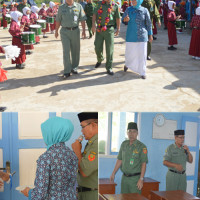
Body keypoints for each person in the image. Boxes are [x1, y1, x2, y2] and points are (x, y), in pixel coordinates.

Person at [21, 116, 78, 199]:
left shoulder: (45, 158)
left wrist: (29, 192)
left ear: (50, 134)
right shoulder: (72, 155)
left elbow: (40, 194)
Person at [110, 122, 148, 194]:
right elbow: (119, 159)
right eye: (129, 131)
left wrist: (141, 179)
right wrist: (113, 173)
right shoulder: (124, 144)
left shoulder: (142, 147)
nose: (131, 134)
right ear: (127, 133)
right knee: (123, 198)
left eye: (134, 132)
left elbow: (144, 163)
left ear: (137, 133)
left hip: (135, 179)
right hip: (124, 178)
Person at [122, 0, 153, 79]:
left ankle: (142, 72)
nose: (133, 1)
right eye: (132, 0)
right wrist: (125, 20)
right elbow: (123, 20)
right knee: (130, 53)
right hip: (131, 35)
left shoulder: (145, 10)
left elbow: (149, 23)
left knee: (142, 54)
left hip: (142, 35)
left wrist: (150, 34)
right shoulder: (128, 9)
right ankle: (127, 64)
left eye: (135, 0)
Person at [55, 0, 86, 79]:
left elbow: (82, 19)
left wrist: (84, 31)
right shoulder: (61, 8)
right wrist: (56, 31)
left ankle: (74, 67)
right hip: (65, 31)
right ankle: (67, 71)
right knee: (66, 51)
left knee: (75, 51)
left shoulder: (79, 6)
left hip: (75, 31)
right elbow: (58, 20)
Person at [72, 112, 98, 200]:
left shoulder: (96, 144)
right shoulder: (91, 143)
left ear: (93, 125)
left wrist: (77, 150)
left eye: (83, 127)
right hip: (85, 192)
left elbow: (84, 171)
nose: (82, 131)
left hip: (91, 194)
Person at [92, 0, 120, 75]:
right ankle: (100, 58)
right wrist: (93, 25)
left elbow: (117, 17)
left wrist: (118, 28)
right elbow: (94, 14)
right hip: (99, 29)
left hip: (109, 29)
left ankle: (109, 67)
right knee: (97, 47)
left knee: (109, 50)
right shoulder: (99, 4)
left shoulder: (115, 6)